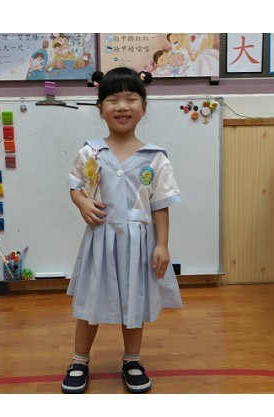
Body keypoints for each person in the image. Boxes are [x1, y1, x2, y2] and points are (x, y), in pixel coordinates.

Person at [61, 67, 183, 394]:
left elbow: (160, 204)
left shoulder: (155, 158)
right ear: (100, 108)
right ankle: (79, 361)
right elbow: (75, 187)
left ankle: (132, 360)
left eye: (131, 98)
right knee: (90, 302)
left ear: (143, 106)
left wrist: (162, 245)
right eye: (113, 99)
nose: (122, 106)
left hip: (139, 243)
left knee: (135, 301)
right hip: (100, 239)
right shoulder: (91, 152)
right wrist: (82, 203)